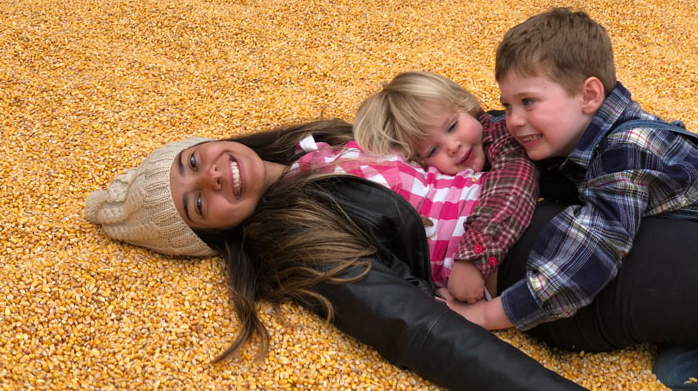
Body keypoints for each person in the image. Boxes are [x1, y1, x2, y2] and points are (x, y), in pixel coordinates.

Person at [84, 119, 583, 391]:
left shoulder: (315, 149)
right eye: (197, 202)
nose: (209, 175)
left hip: (560, 205)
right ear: (211, 236)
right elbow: (415, 328)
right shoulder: (295, 242)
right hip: (541, 266)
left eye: (192, 161)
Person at [444, 7, 698, 388]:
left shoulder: (629, 148)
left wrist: (485, 316)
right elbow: (494, 126)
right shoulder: (579, 129)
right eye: (509, 104)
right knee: (673, 372)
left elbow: (587, 255)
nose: (513, 119)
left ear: (589, 94)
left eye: (528, 102)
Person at [352, 70, 538, 304]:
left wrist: (474, 258)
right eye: (432, 151)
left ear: (466, 106)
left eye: (451, 127)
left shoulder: (501, 134)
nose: (452, 146)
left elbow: (515, 182)